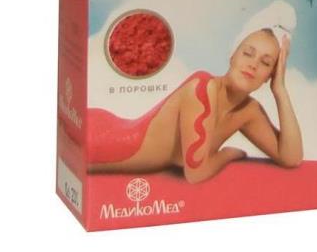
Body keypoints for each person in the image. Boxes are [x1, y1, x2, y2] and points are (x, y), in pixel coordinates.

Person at [87, 28, 303, 183]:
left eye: (266, 63)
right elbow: (196, 174)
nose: (253, 64)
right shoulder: (203, 87)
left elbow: (291, 158)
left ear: (270, 75)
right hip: (101, 138)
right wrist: (228, 154)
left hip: (109, 126)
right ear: (232, 56)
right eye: (247, 53)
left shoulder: (249, 112)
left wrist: (280, 90)